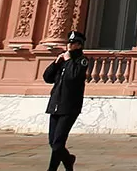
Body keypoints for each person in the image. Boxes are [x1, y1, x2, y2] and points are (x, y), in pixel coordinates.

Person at [43, 31, 89, 171]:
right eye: (68, 42)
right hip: (55, 105)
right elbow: (47, 78)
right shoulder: (63, 60)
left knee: (58, 143)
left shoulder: (81, 61)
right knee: (53, 142)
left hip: (69, 106)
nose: (69, 45)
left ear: (79, 45)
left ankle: (53, 168)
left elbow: (73, 78)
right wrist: (56, 64)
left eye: (72, 43)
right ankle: (68, 160)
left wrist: (69, 60)